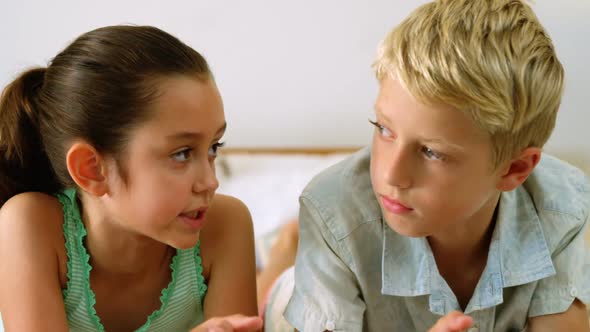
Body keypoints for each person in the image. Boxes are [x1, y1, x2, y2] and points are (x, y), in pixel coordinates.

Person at [282, 0, 590, 331]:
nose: (391, 175)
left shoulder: (561, 206)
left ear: (514, 169)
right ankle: (285, 247)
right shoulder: (332, 211)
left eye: (431, 152)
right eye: (384, 129)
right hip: (311, 295)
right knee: (281, 291)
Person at [0, 25, 263, 332]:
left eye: (214, 147)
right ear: (92, 169)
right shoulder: (28, 224)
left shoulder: (227, 224)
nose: (210, 182)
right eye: (181, 153)